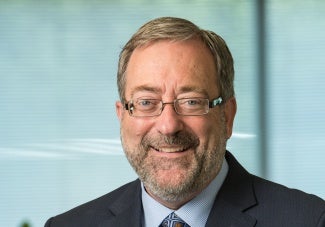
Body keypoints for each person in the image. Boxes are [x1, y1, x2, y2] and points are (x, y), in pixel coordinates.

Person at [45, 17, 325, 227]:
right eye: (146, 103)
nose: (168, 126)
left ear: (227, 116)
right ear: (122, 116)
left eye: (191, 102)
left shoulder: (308, 220)